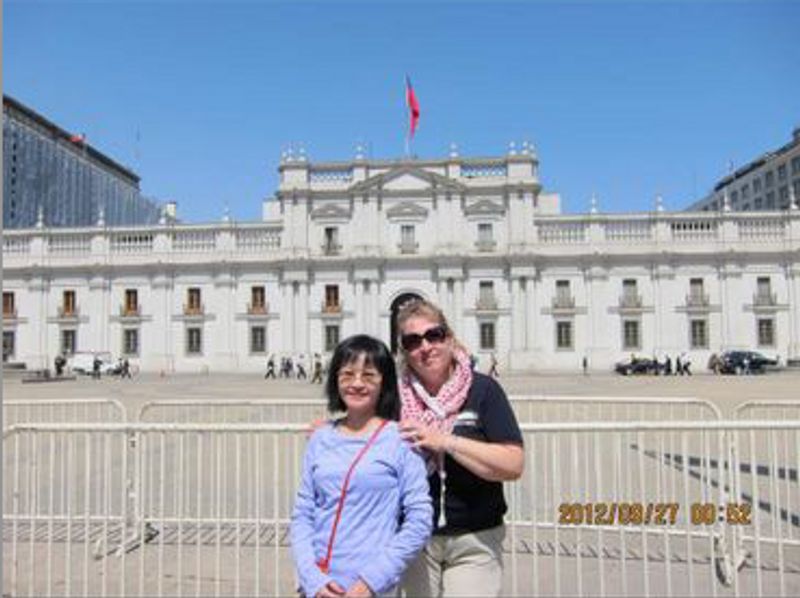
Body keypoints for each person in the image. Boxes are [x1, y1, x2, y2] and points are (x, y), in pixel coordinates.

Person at [395, 299, 524, 597]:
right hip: (414, 538)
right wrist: (332, 433)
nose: (425, 346)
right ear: (405, 351)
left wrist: (446, 441)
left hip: (475, 538)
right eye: (412, 341)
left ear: (449, 338)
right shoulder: (393, 397)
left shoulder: (484, 391)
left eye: (434, 335)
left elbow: (514, 464)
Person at [291, 335, 432, 598]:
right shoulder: (320, 438)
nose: (356, 383)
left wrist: (372, 581)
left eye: (368, 375)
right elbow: (303, 514)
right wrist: (311, 579)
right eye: (347, 374)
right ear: (335, 379)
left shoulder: (403, 440)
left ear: (384, 383)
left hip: (371, 589)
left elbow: (419, 520)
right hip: (320, 586)